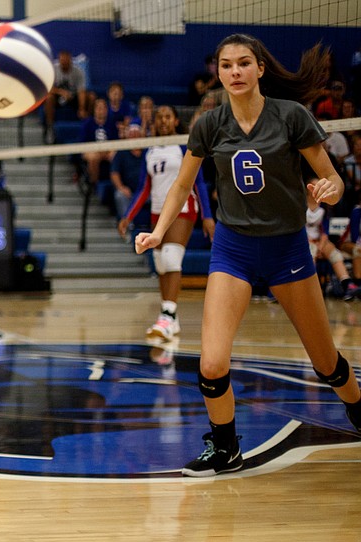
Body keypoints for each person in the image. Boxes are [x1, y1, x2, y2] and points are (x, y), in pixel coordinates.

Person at [134, 34, 361, 478]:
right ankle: (225, 448)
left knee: (325, 362)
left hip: (288, 248)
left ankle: (357, 406)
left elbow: (332, 179)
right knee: (212, 363)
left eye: (243, 64)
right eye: (226, 65)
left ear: (260, 69)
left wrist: (326, 189)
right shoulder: (209, 125)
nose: (234, 72)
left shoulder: (291, 117)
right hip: (233, 249)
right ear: (217, 73)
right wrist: (159, 232)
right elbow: (181, 185)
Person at [120, 105, 214, 341]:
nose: (163, 120)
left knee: (172, 258)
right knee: (161, 264)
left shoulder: (184, 144)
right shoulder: (150, 150)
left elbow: (199, 182)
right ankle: (170, 318)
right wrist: (128, 215)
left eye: (167, 116)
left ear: (175, 121)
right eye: (159, 117)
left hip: (184, 210)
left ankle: (167, 314)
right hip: (157, 212)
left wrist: (207, 216)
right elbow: (144, 188)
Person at [304, 186, 358, 300]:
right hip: (305, 239)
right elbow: (299, 228)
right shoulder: (301, 204)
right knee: (311, 251)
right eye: (314, 185)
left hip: (320, 240)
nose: (317, 187)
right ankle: (311, 289)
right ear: (308, 188)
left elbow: (325, 231)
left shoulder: (323, 206)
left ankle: (347, 284)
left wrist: (321, 246)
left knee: (335, 254)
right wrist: (314, 244)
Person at [43, 50, 88, 143]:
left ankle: (88, 125)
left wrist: (82, 108)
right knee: (49, 98)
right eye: (62, 62)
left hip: (73, 97)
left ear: (70, 61)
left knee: (91, 96)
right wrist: (61, 92)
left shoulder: (78, 71)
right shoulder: (53, 69)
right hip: (57, 97)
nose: (64, 64)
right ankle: (50, 128)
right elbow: (47, 88)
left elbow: (81, 91)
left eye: (66, 62)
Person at [109, 123, 146, 223]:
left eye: (136, 135)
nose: (134, 137)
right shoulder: (121, 153)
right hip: (129, 191)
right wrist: (121, 187)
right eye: (131, 135)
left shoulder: (148, 151)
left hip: (147, 190)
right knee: (119, 195)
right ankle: (128, 227)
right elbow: (114, 173)